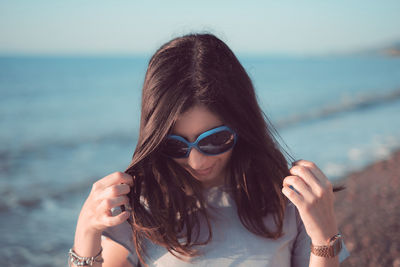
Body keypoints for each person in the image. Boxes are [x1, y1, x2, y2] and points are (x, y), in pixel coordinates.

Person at [70, 33, 349, 267]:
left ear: (242, 123)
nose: (196, 160)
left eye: (214, 140)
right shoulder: (141, 207)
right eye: (174, 144)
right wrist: (85, 232)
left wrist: (325, 238)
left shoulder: (289, 200)